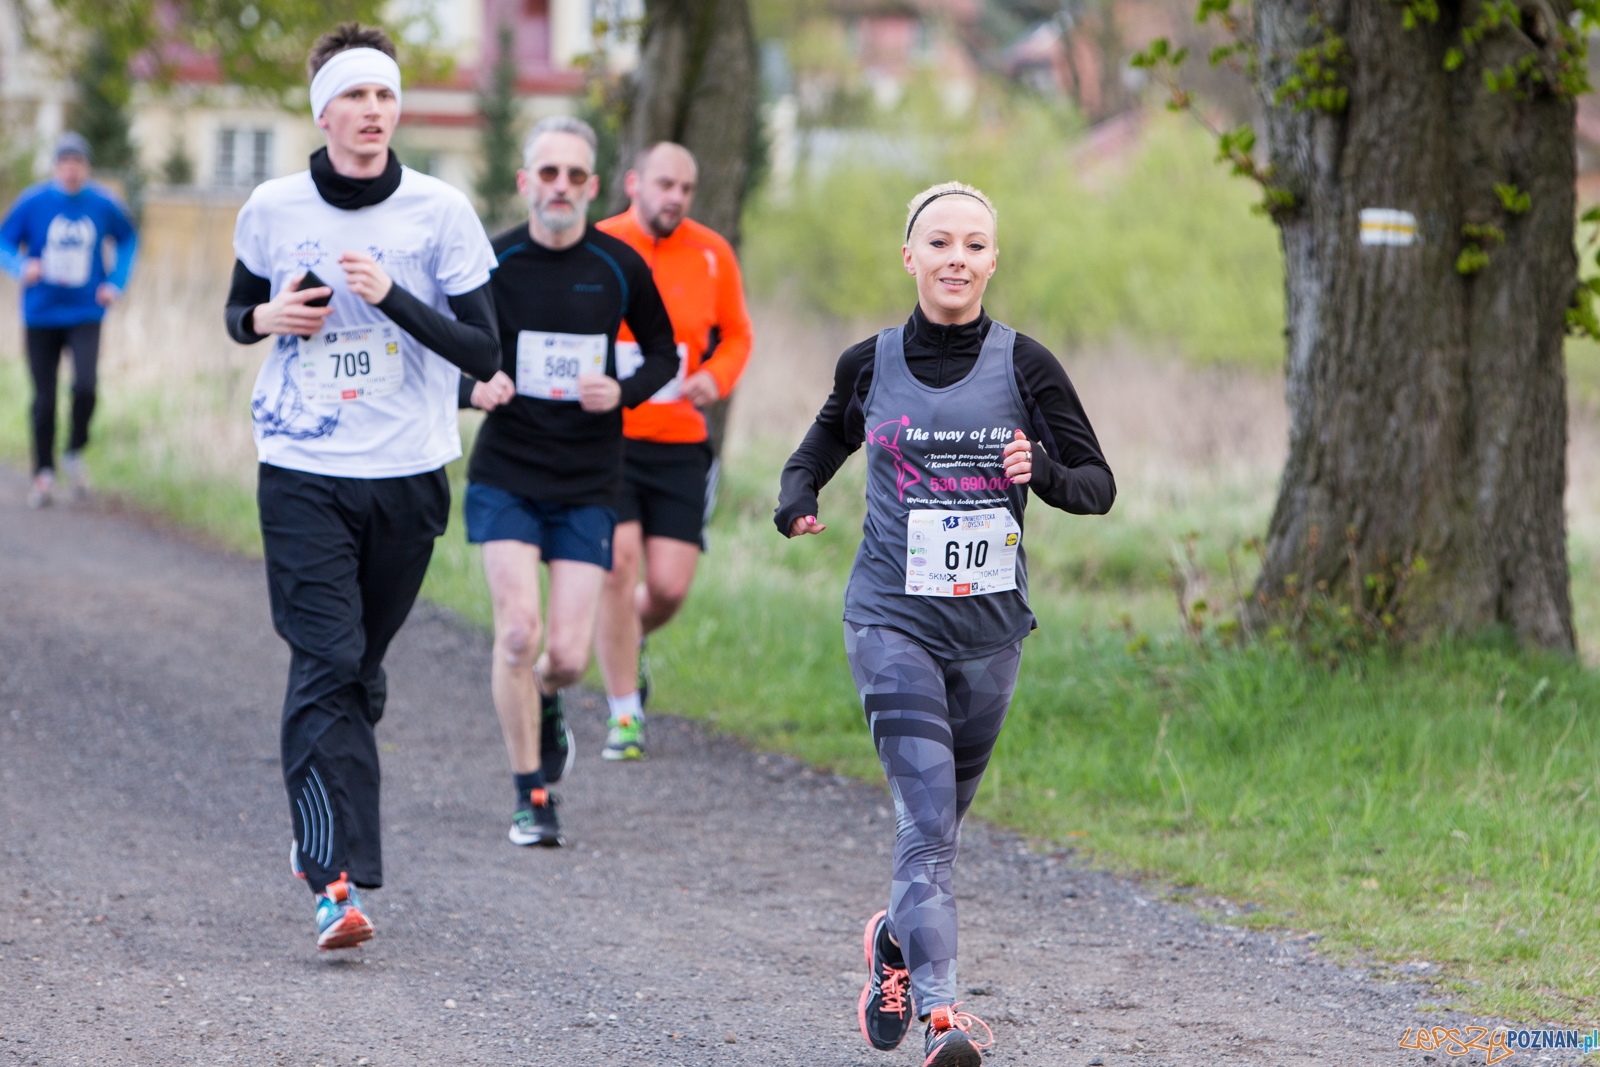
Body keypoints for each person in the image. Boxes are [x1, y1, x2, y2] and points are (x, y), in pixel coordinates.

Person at [775, 182, 1115, 1066]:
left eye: (973, 245)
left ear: (993, 261)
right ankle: (942, 1015)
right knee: (926, 827)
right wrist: (797, 496)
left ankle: (894, 942)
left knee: (938, 830)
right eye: (939, 243)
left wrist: (1038, 465)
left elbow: (1097, 486)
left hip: (991, 634)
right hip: (891, 620)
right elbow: (819, 445)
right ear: (911, 257)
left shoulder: (1027, 366)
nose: (955, 258)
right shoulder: (868, 362)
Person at [222, 23, 501, 951]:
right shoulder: (271, 204)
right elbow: (237, 311)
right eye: (355, 96)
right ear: (323, 110)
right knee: (326, 660)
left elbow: (482, 350)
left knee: (357, 668)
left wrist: (390, 298)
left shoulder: (439, 211)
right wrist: (268, 314)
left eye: (385, 96)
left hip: (408, 473)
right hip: (301, 466)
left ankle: (332, 762)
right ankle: (331, 880)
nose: (374, 112)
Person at [463, 116, 678, 847]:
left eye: (574, 175)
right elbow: (454, 353)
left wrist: (624, 392)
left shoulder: (620, 266)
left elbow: (660, 355)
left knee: (565, 656)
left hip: (589, 481)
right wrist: (475, 387)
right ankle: (531, 793)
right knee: (518, 630)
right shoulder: (491, 262)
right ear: (526, 181)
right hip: (507, 474)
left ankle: (548, 699)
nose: (560, 186)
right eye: (547, 173)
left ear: (592, 185)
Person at [592, 142, 753, 760]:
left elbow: (738, 333)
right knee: (618, 564)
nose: (675, 198)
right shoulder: (602, 242)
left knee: (667, 588)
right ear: (634, 182)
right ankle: (624, 714)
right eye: (664, 184)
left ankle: (624, 637)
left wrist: (717, 375)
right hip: (611, 439)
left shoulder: (713, 252)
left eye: (685, 188)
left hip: (682, 442)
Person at [0, 132, 138, 508]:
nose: (71, 170)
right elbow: (4, 241)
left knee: (85, 388)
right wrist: (19, 265)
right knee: (43, 399)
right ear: (55, 167)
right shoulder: (34, 202)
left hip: (85, 311)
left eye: (77, 163)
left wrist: (115, 282)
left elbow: (127, 240)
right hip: (41, 313)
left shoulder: (102, 203)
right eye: (64, 163)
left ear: (86, 167)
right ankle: (43, 475)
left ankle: (74, 450)